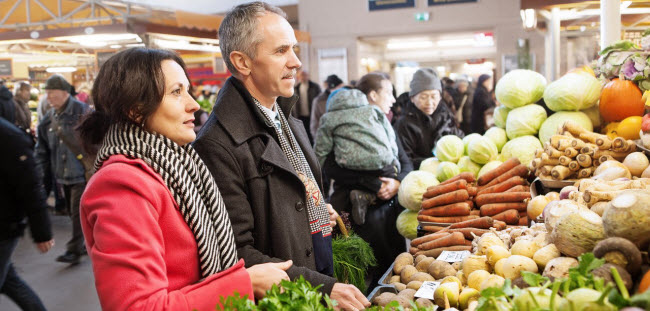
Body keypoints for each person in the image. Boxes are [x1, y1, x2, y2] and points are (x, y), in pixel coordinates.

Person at [77, 47, 293, 311]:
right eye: (176, 92)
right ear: (135, 110)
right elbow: (138, 307)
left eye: (188, 90)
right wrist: (243, 282)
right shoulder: (121, 185)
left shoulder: (181, 165)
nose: (193, 104)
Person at [193, 3, 370, 310]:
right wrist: (322, 288)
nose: (296, 62)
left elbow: (284, 199)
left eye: (295, 49)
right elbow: (236, 251)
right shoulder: (218, 144)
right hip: (290, 299)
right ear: (242, 61)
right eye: (281, 51)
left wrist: (314, 211)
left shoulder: (283, 116)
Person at [323, 72, 413, 292]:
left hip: (388, 212)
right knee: (357, 276)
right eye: (388, 93)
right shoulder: (341, 124)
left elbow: (405, 163)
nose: (393, 99)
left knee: (392, 273)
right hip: (353, 213)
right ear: (373, 95)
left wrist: (397, 184)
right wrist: (371, 183)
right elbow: (329, 166)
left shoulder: (384, 124)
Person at [314, 88, 400, 225]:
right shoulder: (373, 110)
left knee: (350, 174)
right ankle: (368, 196)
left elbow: (320, 151)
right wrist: (394, 160)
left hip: (350, 164)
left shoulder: (329, 118)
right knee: (388, 173)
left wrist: (317, 172)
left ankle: (364, 196)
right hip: (381, 161)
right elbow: (390, 136)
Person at [0, 108, 54, 311]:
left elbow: (31, 187)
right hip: (6, 224)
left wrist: (42, 232)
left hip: (5, 227)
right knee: (9, 282)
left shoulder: (9, 137)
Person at [35, 75, 89, 265]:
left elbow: (96, 141)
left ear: (65, 92)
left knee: (76, 213)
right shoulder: (49, 118)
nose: (48, 97)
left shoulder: (82, 111)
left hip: (82, 173)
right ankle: (84, 243)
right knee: (72, 212)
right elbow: (41, 149)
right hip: (62, 174)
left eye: (52, 92)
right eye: (47, 93)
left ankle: (73, 250)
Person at [394, 68, 465, 169]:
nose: (429, 102)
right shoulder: (403, 124)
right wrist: (436, 162)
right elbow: (404, 160)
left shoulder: (446, 116)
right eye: (423, 97)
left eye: (434, 96)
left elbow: (460, 139)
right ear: (412, 98)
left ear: (440, 97)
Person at [310, 74, 344, 139]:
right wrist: (318, 142)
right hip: (326, 138)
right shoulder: (319, 101)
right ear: (332, 88)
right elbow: (314, 124)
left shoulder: (343, 97)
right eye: (339, 87)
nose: (341, 90)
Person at [293, 70, 321, 144]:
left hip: (312, 114)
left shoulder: (315, 87)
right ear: (298, 77)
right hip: (300, 115)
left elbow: (320, 100)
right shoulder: (296, 88)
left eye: (304, 75)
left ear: (308, 76)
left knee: (312, 132)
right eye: (301, 75)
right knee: (303, 133)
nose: (303, 77)